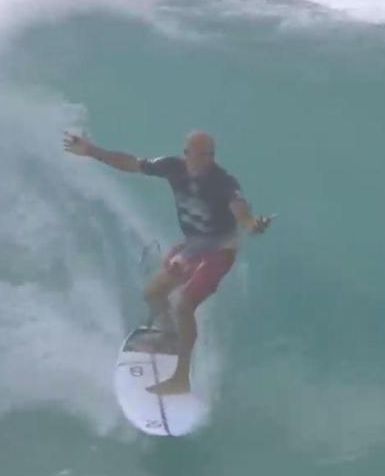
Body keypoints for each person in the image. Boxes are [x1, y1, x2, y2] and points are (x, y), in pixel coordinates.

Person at [63, 130, 274, 395]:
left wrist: (254, 225)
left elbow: (242, 214)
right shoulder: (173, 167)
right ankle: (170, 338)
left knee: (183, 305)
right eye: (193, 154)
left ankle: (181, 379)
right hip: (194, 246)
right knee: (153, 293)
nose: (199, 160)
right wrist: (93, 151)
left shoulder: (224, 183)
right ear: (185, 153)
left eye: (205, 155)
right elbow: (132, 163)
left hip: (220, 251)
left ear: (212, 156)